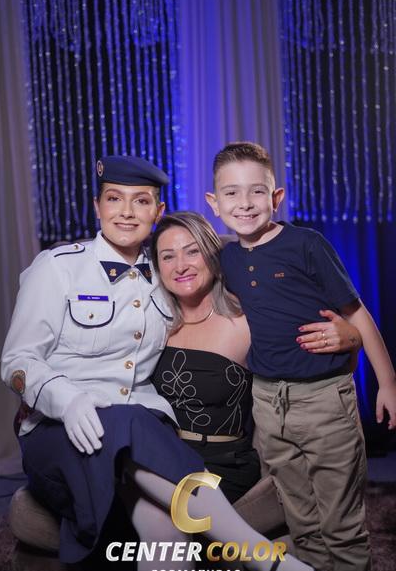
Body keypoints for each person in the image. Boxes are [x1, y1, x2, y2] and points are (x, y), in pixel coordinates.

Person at [1, 155, 331, 571]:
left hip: (139, 443)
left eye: (140, 201)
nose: (126, 212)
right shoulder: (58, 267)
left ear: (156, 212)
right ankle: (270, 563)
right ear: (97, 207)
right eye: (114, 199)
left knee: (164, 528)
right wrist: (65, 400)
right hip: (61, 434)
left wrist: (346, 329)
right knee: (134, 420)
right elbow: (17, 361)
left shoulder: (166, 274)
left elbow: (251, 277)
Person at [205, 141, 396, 571]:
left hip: (324, 400)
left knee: (341, 526)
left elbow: (357, 315)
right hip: (267, 403)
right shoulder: (226, 259)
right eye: (231, 193)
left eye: (257, 191)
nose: (244, 203)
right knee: (302, 523)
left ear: (276, 197)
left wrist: (387, 382)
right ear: (214, 203)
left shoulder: (307, 245)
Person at [150, 211, 362, 505]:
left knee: (179, 518)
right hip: (162, 457)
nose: (181, 265)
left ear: (212, 255)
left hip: (221, 467)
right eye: (168, 256)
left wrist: (351, 338)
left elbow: (331, 362)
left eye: (192, 251)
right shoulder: (151, 323)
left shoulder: (248, 319)